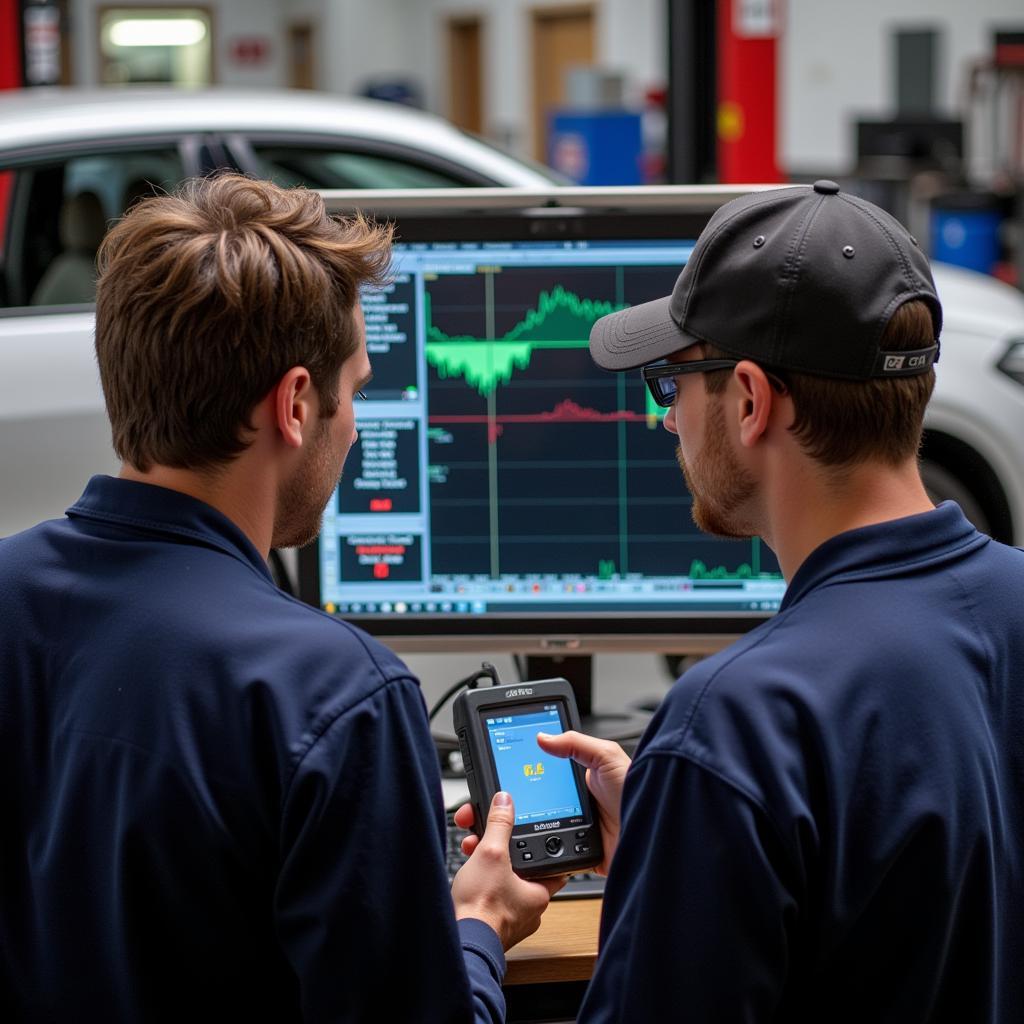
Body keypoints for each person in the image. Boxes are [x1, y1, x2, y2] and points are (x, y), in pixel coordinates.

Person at [0, 173, 559, 1023]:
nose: (357, 424)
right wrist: (477, 927)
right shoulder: (333, 695)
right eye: (358, 389)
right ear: (297, 403)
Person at [525, 180, 1023, 1021]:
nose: (669, 422)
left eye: (670, 384)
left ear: (752, 400)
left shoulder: (744, 723)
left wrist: (469, 934)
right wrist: (673, 832)